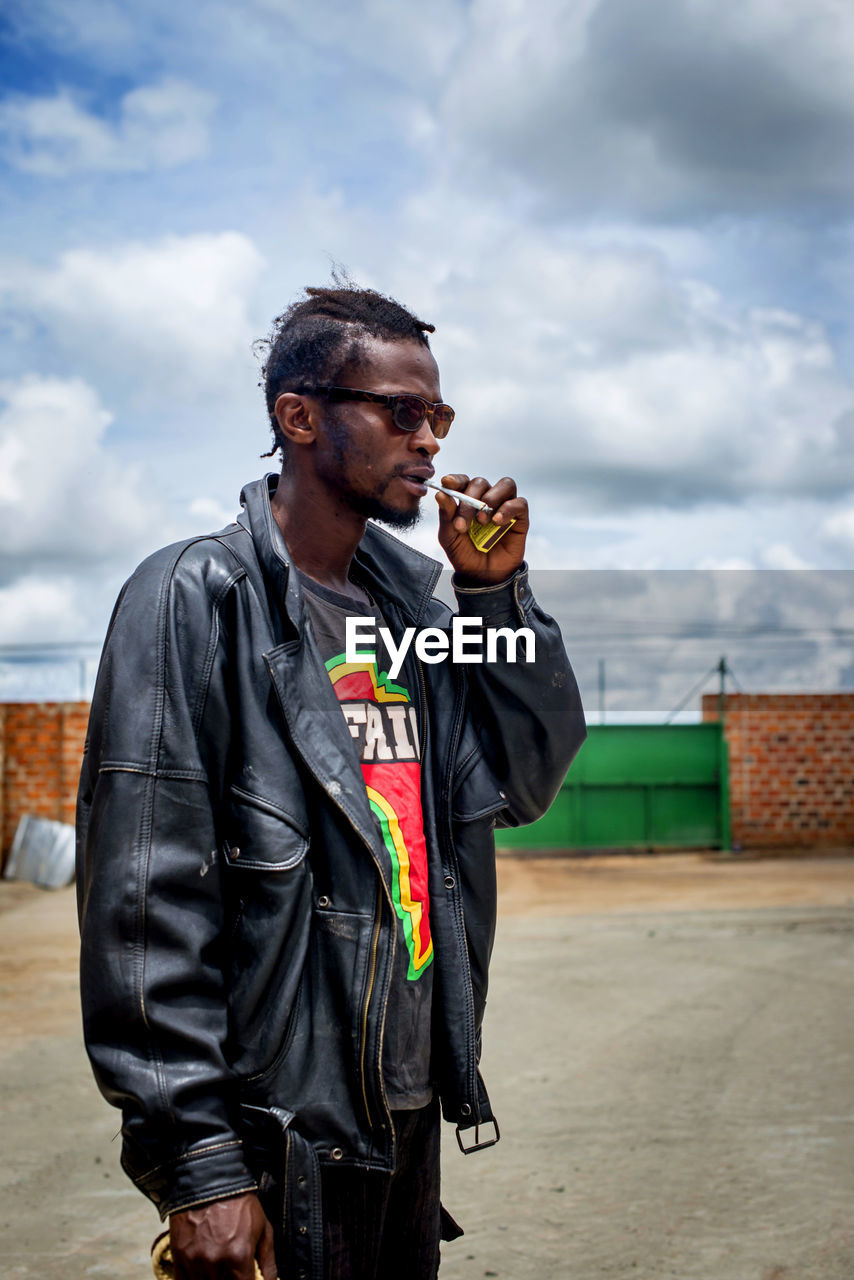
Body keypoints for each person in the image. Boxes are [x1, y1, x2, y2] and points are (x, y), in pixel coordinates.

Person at [76, 283, 586, 1280]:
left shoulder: (414, 616)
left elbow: (526, 778)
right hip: (278, 1128)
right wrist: (200, 1165)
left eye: (437, 415)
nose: (428, 440)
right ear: (297, 415)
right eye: (399, 411)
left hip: (403, 1105)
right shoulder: (192, 598)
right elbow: (145, 903)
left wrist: (492, 592)